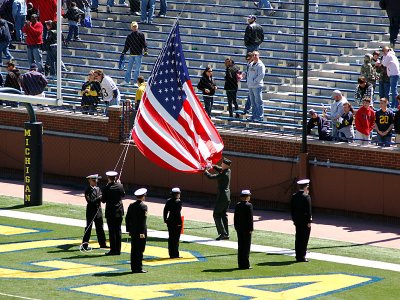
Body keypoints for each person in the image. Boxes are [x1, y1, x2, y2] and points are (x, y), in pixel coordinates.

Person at [204, 157, 232, 240]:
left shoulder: (223, 174)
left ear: (226, 165)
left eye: (223, 163)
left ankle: (222, 233)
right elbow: (219, 168)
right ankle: (226, 233)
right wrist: (211, 165)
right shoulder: (228, 171)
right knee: (223, 215)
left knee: (216, 214)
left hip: (222, 197)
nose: (221, 164)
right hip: (227, 197)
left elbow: (211, 177)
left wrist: (205, 171)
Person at [101, 170, 125, 256]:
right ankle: (118, 250)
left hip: (110, 212)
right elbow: (123, 195)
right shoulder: (120, 186)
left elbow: (103, 201)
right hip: (119, 211)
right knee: (118, 231)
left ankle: (113, 250)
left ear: (108, 178)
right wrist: (120, 184)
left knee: (112, 231)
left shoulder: (106, 188)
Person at [82, 174, 108, 249]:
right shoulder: (87, 190)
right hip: (91, 212)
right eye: (94, 180)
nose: (96, 182)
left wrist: (104, 196)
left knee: (100, 228)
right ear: (89, 181)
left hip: (98, 211)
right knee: (88, 228)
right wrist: (99, 198)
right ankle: (85, 245)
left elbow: (102, 201)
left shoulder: (98, 189)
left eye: (96, 180)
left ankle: (102, 244)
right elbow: (90, 201)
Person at [126, 187, 148, 273]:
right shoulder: (144, 206)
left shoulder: (131, 205)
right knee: (140, 250)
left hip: (133, 231)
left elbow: (127, 218)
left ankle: (133, 267)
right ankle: (138, 267)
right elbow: (143, 221)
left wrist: (129, 229)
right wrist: (142, 233)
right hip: (140, 232)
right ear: (142, 196)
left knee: (134, 249)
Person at [291, 179, 312, 263]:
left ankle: (297, 255)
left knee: (298, 238)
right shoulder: (306, 197)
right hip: (304, 222)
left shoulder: (294, 196)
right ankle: (302, 256)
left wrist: (294, 220)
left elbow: (292, 209)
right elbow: (308, 211)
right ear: (306, 187)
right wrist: (309, 221)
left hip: (297, 221)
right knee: (304, 239)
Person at [120, 21, 148, 87]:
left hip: (138, 54)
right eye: (133, 26)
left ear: (137, 27)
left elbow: (144, 43)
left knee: (137, 69)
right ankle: (127, 81)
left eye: (135, 26)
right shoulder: (129, 36)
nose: (135, 28)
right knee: (129, 69)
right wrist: (124, 52)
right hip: (132, 54)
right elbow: (127, 45)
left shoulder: (141, 34)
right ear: (131, 27)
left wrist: (146, 50)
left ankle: (136, 82)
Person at [234, 189, 253, 270]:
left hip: (239, 229)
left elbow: (235, 218)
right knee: (246, 247)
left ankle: (240, 264)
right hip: (246, 229)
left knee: (240, 246)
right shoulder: (249, 205)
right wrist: (251, 229)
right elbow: (250, 218)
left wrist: (236, 227)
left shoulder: (238, 205)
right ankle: (246, 264)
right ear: (247, 197)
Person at [163, 187, 182, 259]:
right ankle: (175, 254)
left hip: (170, 221)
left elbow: (165, 211)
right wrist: (179, 222)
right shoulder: (178, 201)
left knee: (171, 238)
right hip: (176, 222)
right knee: (176, 239)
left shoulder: (168, 201)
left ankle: (171, 253)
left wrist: (165, 219)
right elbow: (177, 213)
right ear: (177, 194)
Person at [247, 51, 265, 121]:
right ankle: (253, 116)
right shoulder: (251, 64)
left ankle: (260, 116)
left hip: (257, 86)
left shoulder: (261, 65)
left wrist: (255, 81)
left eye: (256, 55)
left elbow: (262, 75)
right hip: (251, 85)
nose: (254, 56)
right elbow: (249, 74)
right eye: (253, 55)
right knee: (253, 102)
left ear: (258, 56)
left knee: (258, 101)